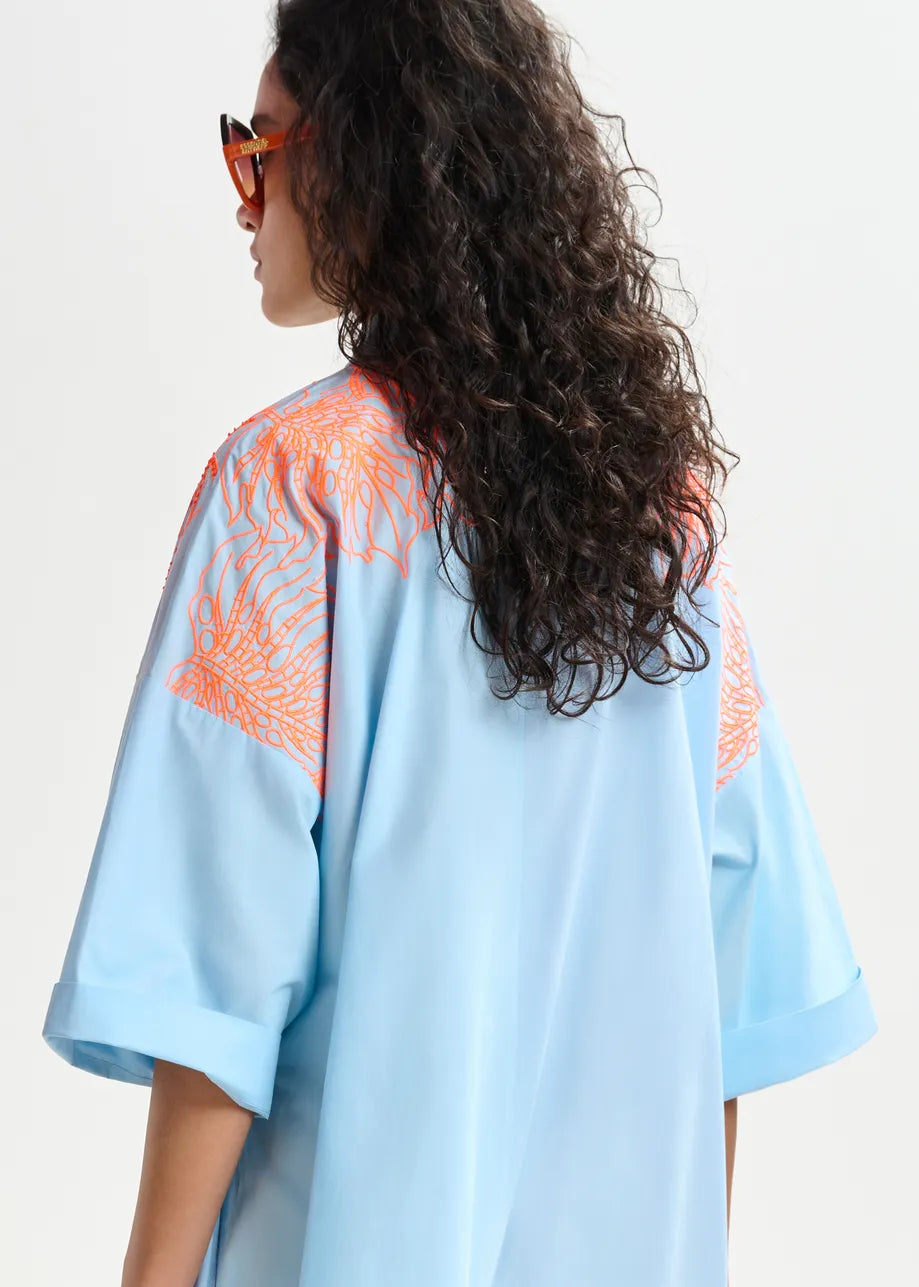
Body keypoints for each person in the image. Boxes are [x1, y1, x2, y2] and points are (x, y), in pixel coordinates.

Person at [41, 2, 877, 1284]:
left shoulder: (294, 491)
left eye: (259, 147)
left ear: (365, 155)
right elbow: (727, 994)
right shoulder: (656, 521)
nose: (243, 197)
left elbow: (211, 983)